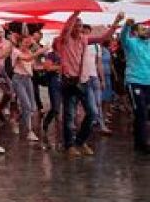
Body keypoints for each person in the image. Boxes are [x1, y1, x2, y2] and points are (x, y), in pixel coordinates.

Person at [57, 11, 124, 157]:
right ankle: (69, 146)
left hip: (82, 81)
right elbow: (66, 28)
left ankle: (80, 142)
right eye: (76, 25)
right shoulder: (64, 39)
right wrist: (75, 13)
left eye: (80, 26)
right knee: (69, 115)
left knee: (93, 113)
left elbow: (102, 38)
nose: (78, 28)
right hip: (68, 81)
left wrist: (115, 22)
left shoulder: (84, 39)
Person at [120, 18, 150, 153]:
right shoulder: (131, 43)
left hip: (148, 82)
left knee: (143, 114)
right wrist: (126, 25)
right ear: (136, 33)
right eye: (142, 29)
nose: (146, 30)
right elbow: (122, 37)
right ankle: (142, 144)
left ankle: (139, 141)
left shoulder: (149, 44)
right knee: (141, 112)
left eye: (146, 29)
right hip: (134, 81)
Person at [10, 34, 47, 142]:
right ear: (20, 42)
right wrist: (39, 51)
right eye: (25, 43)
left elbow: (34, 66)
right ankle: (29, 132)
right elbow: (26, 59)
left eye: (28, 43)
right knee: (26, 104)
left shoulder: (30, 52)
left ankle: (16, 120)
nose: (27, 45)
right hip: (18, 79)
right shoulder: (15, 51)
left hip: (28, 79)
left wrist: (49, 67)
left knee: (32, 107)